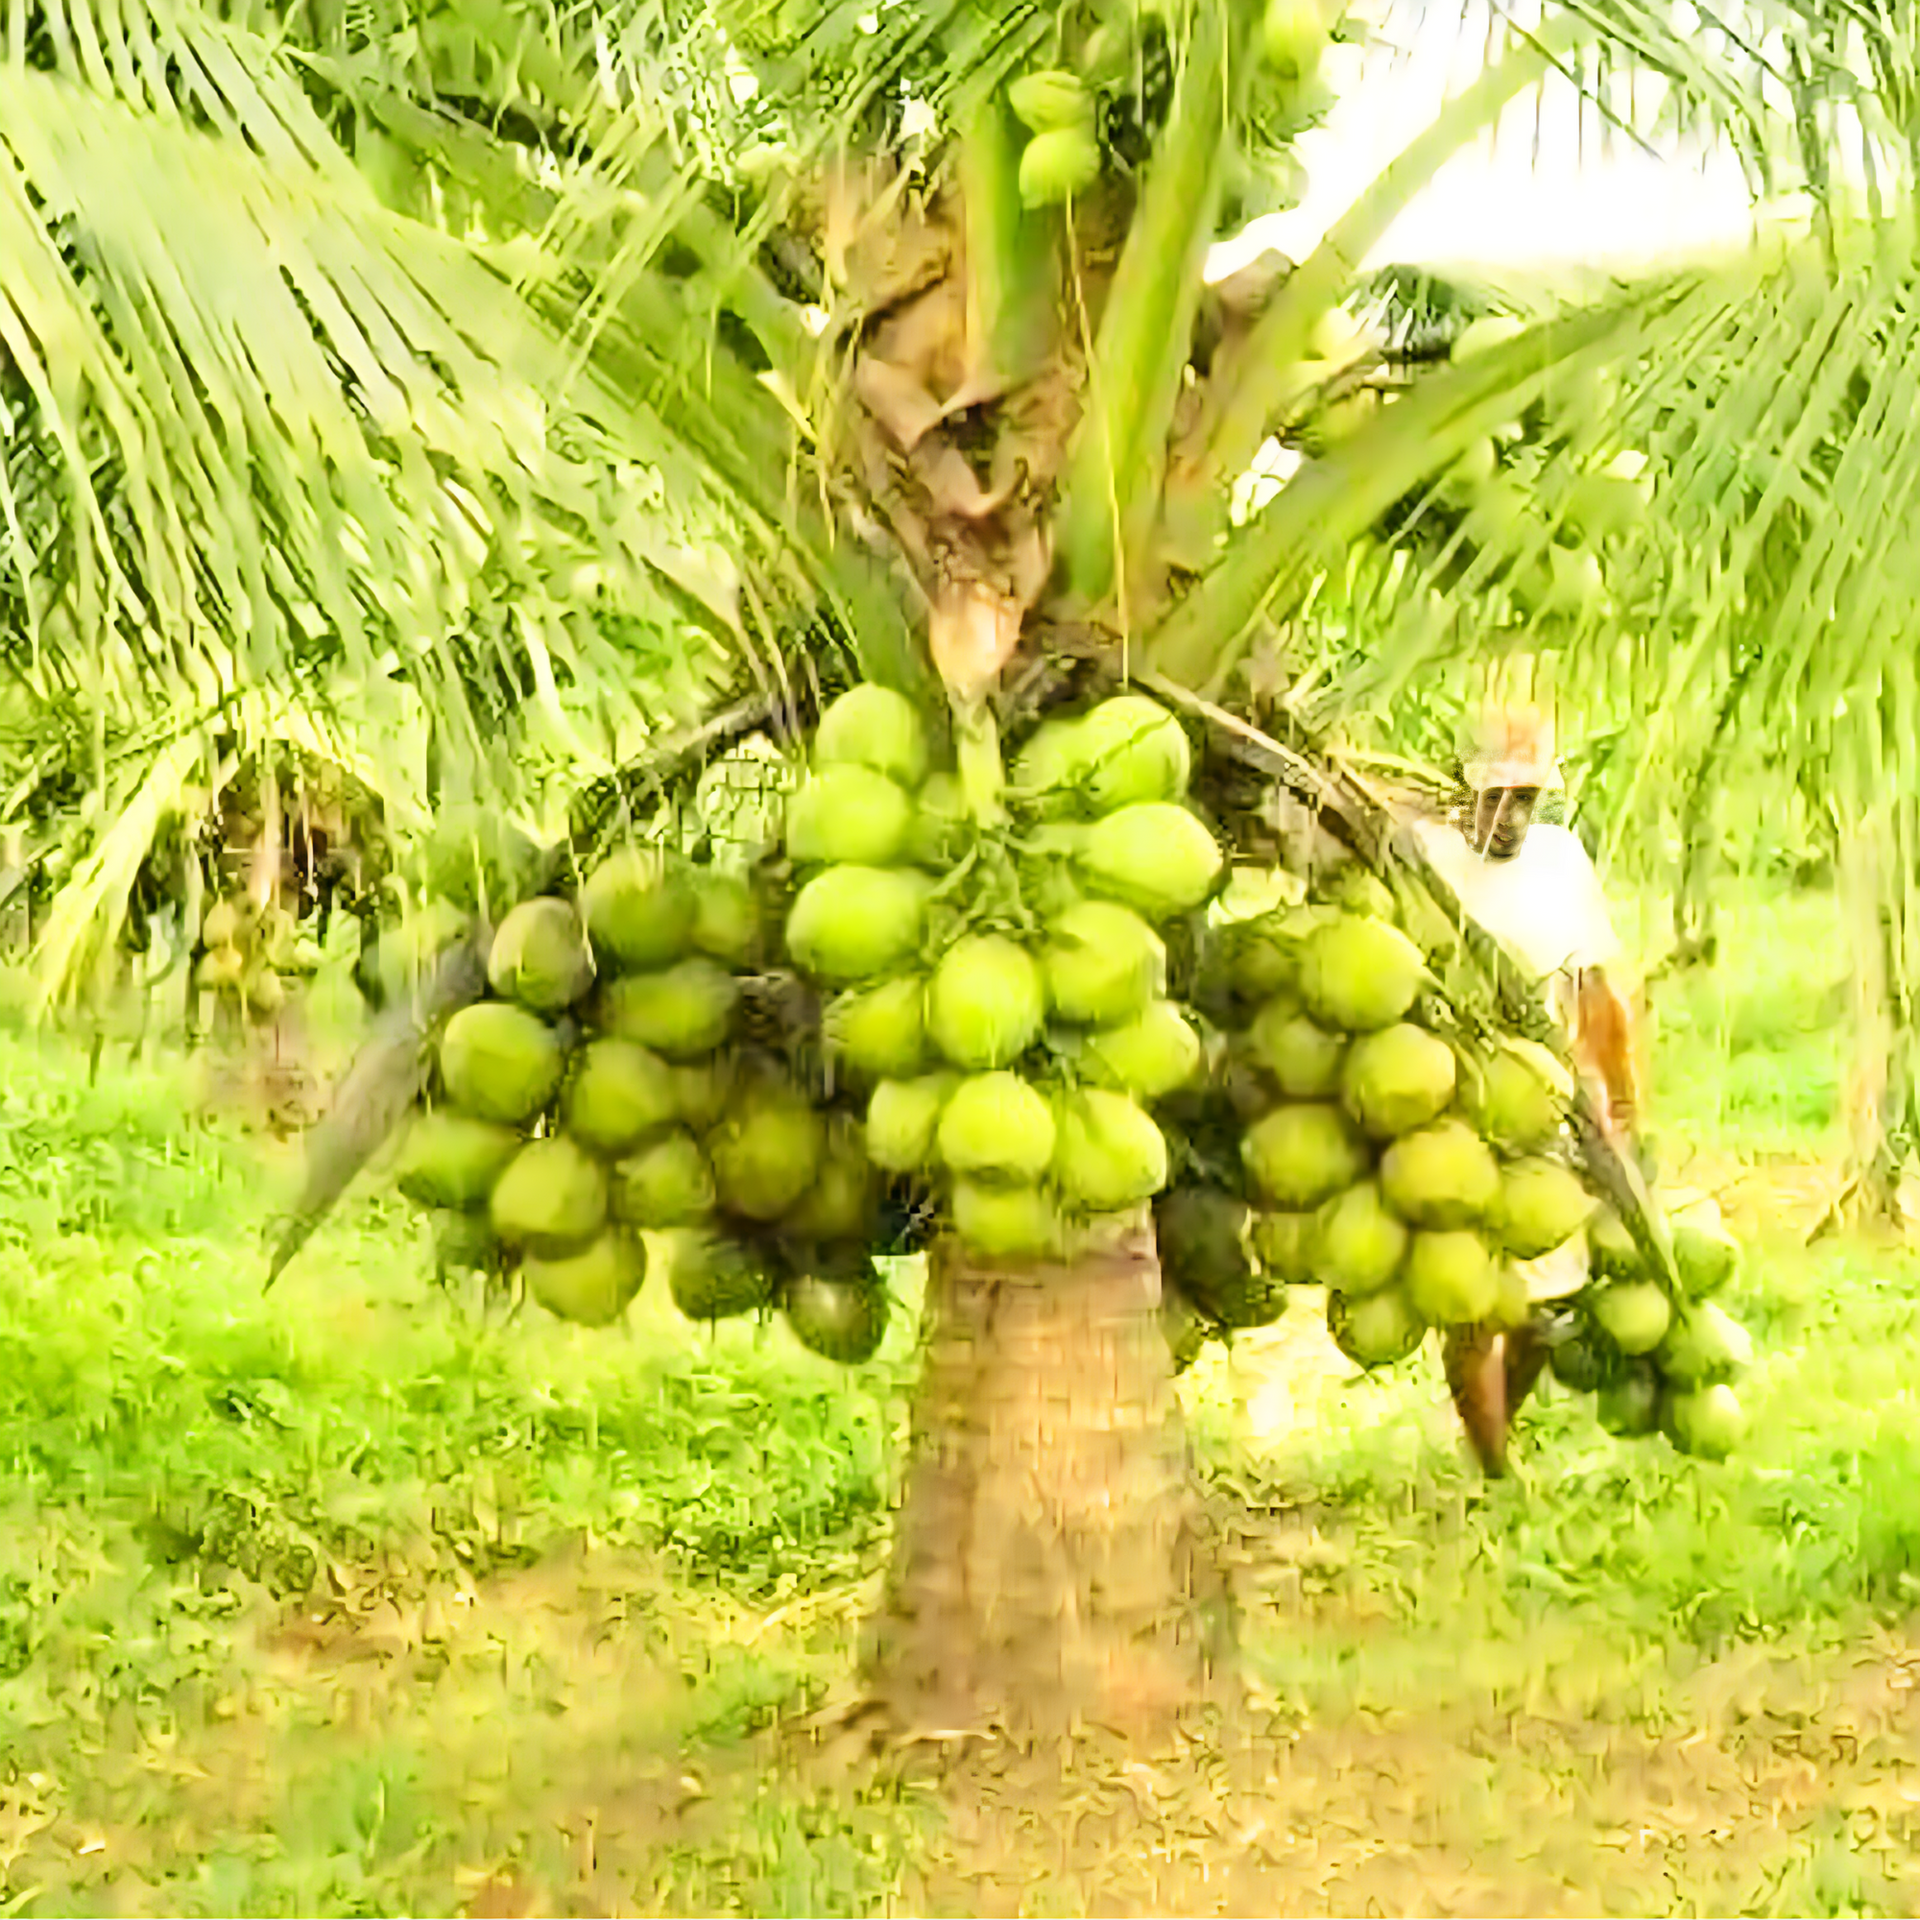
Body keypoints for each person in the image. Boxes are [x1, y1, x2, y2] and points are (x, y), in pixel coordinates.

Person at [1407, 701, 1646, 1476]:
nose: (1509, 816)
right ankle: (1494, 1471)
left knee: (1546, 1306)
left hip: (1543, 1101)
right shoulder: (1418, 854)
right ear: (1458, 784)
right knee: (1475, 1306)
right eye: (1493, 795)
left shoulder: (1560, 859)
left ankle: (1499, 1426)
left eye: (1526, 799)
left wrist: (1621, 1100)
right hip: (1442, 1103)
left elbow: (1593, 992)